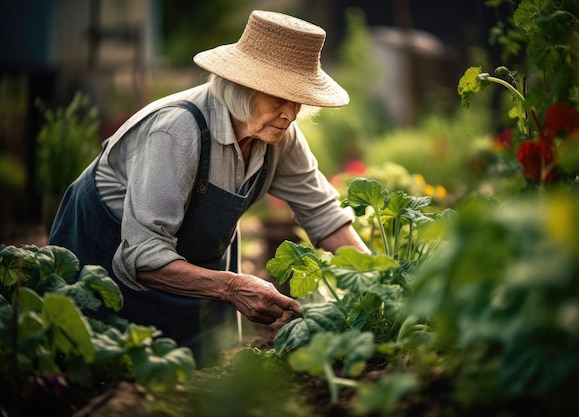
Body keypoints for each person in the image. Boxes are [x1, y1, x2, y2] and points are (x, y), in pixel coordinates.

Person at [48, 10, 369, 365]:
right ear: (244, 85)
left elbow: (326, 217)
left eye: (298, 100)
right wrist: (232, 286)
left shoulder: (280, 137)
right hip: (108, 254)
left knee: (202, 376)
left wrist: (377, 281)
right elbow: (141, 257)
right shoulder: (177, 130)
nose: (290, 113)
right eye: (279, 98)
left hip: (194, 263)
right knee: (105, 366)